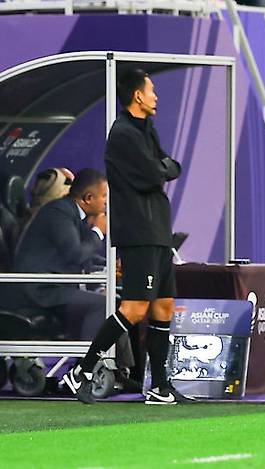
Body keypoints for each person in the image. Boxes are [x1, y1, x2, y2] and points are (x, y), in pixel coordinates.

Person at [63, 69, 187, 405]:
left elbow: (170, 166)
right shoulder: (122, 134)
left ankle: (160, 387)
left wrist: (163, 168)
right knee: (133, 309)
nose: (156, 97)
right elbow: (153, 173)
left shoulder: (145, 130)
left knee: (164, 308)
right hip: (140, 232)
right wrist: (163, 168)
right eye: (152, 91)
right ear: (137, 96)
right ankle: (82, 372)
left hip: (158, 231)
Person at [0, 169, 132, 346]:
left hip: (56, 286)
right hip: (38, 290)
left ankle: (123, 368)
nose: (107, 202)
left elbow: (85, 257)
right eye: (104, 196)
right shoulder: (58, 212)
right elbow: (75, 255)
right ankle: (88, 365)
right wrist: (98, 231)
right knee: (103, 305)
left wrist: (110, 266)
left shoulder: (75, 214)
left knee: (122, 303)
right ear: (88, 198)